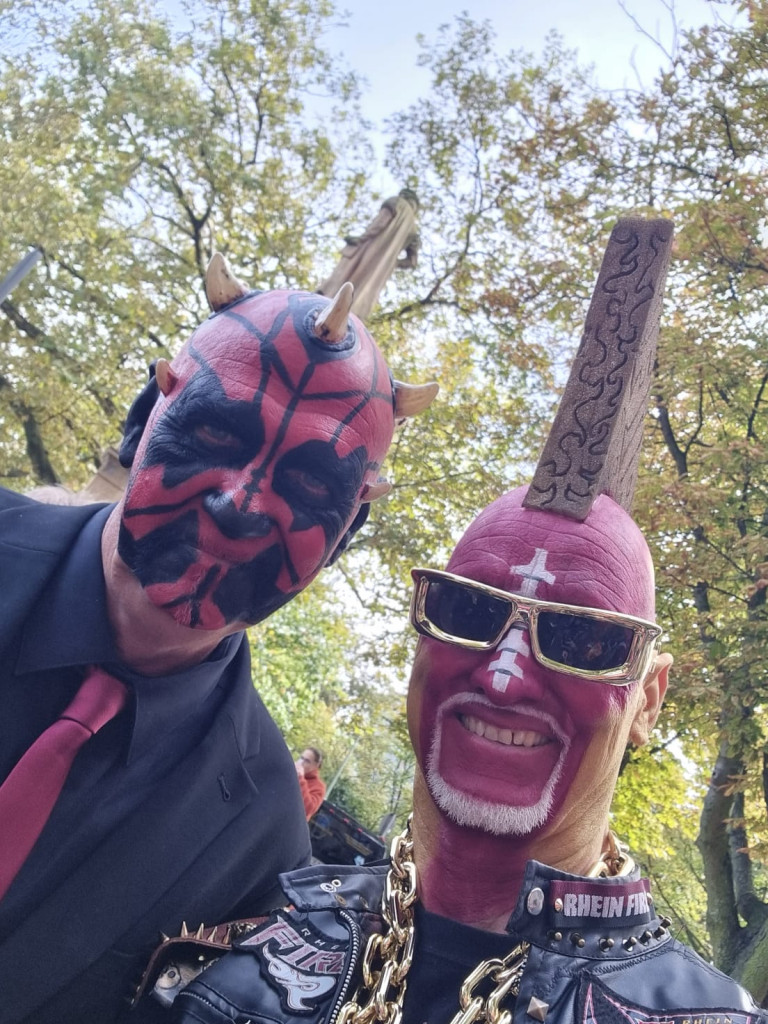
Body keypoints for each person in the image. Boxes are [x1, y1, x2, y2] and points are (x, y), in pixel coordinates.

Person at [156, 220, 768, 1021]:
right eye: (468, 609)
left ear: (648, 699)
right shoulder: (238, 915)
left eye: (582, 638)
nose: (507, 673)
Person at [0, 253, 436, 1024]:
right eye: (214, 431)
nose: (241, 503)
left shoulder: (261, 837)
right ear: (144, 417)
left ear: (343, 536)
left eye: (309, 482)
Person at [318, 189, 420, 320]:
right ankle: (349, 317)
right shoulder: (413, 231)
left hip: (365, 252)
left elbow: (380, 223)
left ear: (404, 195)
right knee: (360, 295)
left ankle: (323, 304)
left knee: (340, 284)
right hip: (380, 271)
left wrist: (360, 239)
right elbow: (412, 261)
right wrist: (392, 262)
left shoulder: (397, 202)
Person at [294, 747, 326, 820]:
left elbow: (307, 809)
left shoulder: (319, 787)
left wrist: (300, 778)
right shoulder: (291, 774)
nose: (301, 762)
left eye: (307, 761)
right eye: (301, 758)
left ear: (316, 766)